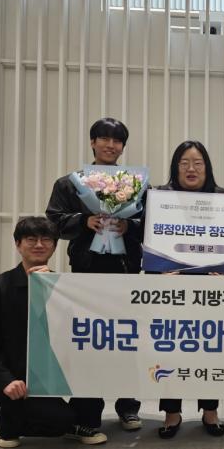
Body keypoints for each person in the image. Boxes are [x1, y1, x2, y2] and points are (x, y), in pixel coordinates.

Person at [0, 217, 107, 447]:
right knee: (58, 421)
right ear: (18, 244)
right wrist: (5, 380)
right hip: (15, 378)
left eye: (46, 240)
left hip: (53, 371)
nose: (39, 245)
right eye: (31, 239)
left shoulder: (65, 287)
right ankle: (4, 417)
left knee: (88, 388)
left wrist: (49, 284)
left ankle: (77, 422)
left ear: (54, 245)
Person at [45, 117, 143, 431]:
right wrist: (83, 221)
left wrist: (129, 225)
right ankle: (87, 410)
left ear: (123, 147)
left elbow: (151, 223)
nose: (110, 145)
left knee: (127, 339)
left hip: (126, 271)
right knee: (88, 341)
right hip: (86, 271)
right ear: (92, 142)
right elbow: (53, 222)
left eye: (117, 141)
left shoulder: (135, 184)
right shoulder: (70, 183)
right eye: (104, 139)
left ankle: (128, 406)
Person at [147, 140, 224, 439]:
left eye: (197, 163)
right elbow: (148, 239)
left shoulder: (223, 198)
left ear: (207, 167)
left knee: (210, 348)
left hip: (210, 288)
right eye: (184, 163)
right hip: (172, 287)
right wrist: (158, 270)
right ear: (175, 167)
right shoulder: (160, 196)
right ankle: (172, 412)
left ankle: (210, 410)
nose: (191, 169)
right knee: (171, 349)